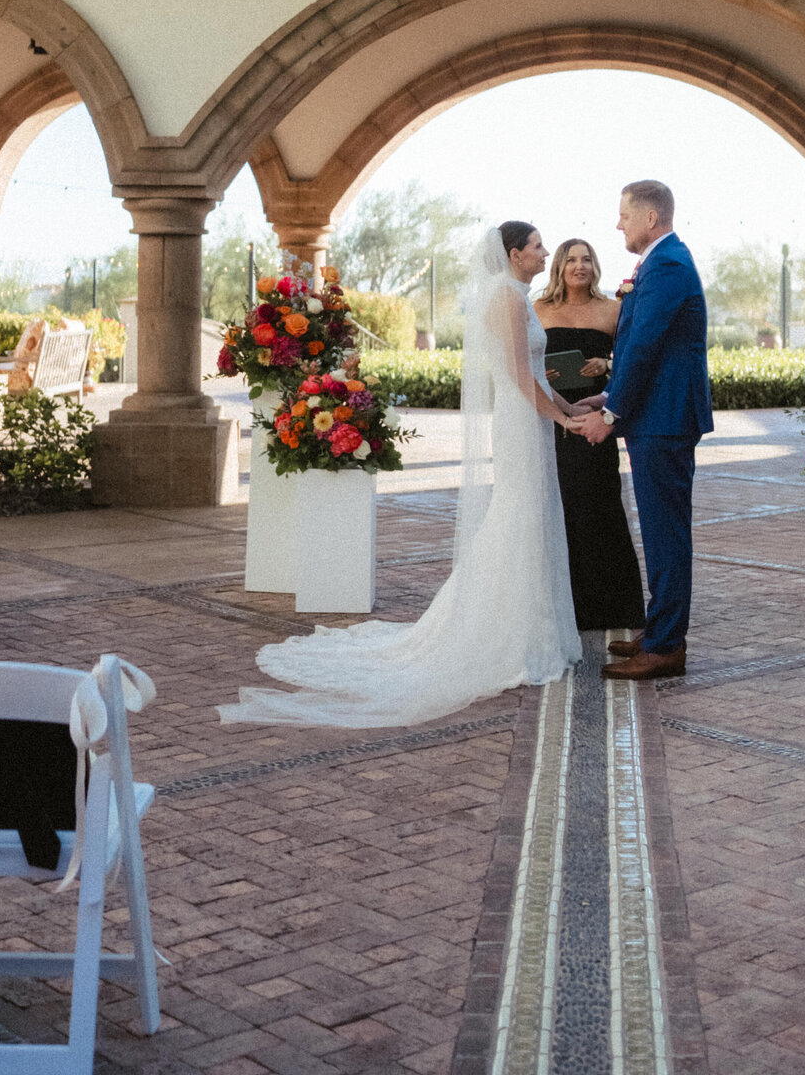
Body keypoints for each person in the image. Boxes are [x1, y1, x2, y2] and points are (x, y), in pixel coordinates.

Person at [220, 222, 583, 728]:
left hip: (531, 419)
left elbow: (539, 375)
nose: (546, 253)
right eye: (538, 246)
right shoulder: (506, 298)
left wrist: (575, 405)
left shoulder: (516, 296)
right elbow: (522, 379)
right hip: (521, 422)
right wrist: (564, 418)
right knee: (517, 516)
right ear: (514, 254)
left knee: (528, 515)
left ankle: (524, 629)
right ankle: (503, 634)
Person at [570, 181, 712, 680]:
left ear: (650, 218)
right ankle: (658, 632)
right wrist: (609, 396)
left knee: (665, 533)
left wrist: (610, 418)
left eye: (624, 215)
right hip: (656, 416)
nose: (618, 224)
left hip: (665, 419)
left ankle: (668, 646)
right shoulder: (659, 263)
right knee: (658, 530)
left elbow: (649, 346)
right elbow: (639, 348)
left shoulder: (668, 264)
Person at [535, 239, 645, 632]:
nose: (579, 266)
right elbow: (523, 363)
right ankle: (566, 606)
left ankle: (614, 608)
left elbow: (634, 364)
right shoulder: (539, 310)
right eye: (571, 260)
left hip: (596, 418)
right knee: (559, 505)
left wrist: (607, 362)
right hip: (551, 419)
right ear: (559, 268)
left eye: (586, 259)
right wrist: (542, 375)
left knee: (600, 502)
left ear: (594, 266)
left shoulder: (613, 311)